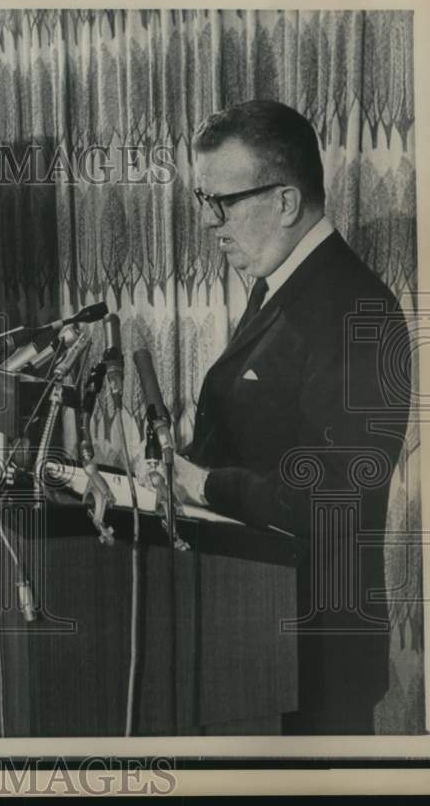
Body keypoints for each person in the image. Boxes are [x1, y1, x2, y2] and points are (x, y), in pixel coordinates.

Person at [170, 100, 411, 734]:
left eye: (223, 201)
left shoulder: (357, 309)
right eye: (202, 199)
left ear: (285, 201)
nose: (207, 222)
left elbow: (333, 495)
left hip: (314, 653)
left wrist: (199, 482)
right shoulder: (278, 283)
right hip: (258, 637)